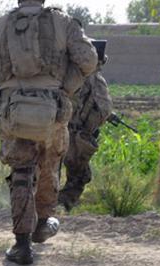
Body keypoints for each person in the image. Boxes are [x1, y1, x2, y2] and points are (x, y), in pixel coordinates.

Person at [0, 0, 97, 265]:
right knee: (50, 166)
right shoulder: (63, 22)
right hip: (53, 110)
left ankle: (22, 244)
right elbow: (88, 60)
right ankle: (41, 224)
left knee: (21, 173)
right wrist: (65, 88)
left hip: (12, 112)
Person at [59, 44, 113, 212]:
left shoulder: (68, 75)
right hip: (77, 135)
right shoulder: (96, 80)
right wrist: (90, 129)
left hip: (58, 129)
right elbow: (103, 109)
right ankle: (62, 204)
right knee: (80, 175)